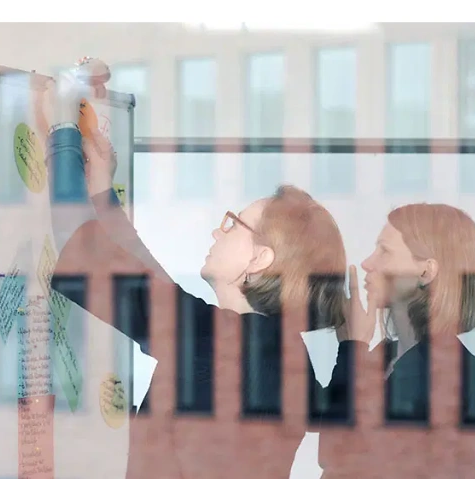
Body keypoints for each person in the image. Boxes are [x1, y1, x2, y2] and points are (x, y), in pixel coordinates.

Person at [44, 65, 350, 478]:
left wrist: (61, 125)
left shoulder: (220, 342)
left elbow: (78, 250)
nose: (217, 231)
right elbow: (150, 285)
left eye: (233, 224)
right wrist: (102, 193)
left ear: (260, 259)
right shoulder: (283, 354)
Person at [312, 203, 475, 478]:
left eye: (384, 251)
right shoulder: (383, 355)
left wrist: (352, 349)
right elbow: (329, 452)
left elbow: (342, 455)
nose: (367, 263)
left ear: (426, 271)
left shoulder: (450, 368)